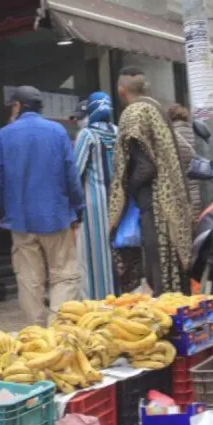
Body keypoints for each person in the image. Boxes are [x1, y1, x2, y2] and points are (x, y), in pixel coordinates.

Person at [0, 86, 84, 326]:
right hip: (56, 217)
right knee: (63, 275)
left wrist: (6, 212)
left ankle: (37, 334)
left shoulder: (3, 135)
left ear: (17, 106)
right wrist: (77, 208)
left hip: (20, 220)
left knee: (29, 279)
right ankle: (59, 328)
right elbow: (71, 176)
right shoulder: (57, 132)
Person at [108, 67, 193, 295]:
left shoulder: (133, 113)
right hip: (170, 203)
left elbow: (146, 166)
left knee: (158, 268)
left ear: (121, 90)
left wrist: (127, 191)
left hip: (154, 204)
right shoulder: (155, 109)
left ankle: (168, 317)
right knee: (168, 265)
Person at [74, 92, 118, 299]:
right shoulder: (117, 132)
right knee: (115, 254)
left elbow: (76, 171)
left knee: (95, 256)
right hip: (118, 202)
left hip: (94, 204)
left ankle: (98, 300)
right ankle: (117, 297)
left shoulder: (87, 135)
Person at [168, 103, 202, 217]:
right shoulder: (191, 130)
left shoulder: (172, 133)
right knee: (194, 214)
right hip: (193, 178)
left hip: (180, 183)